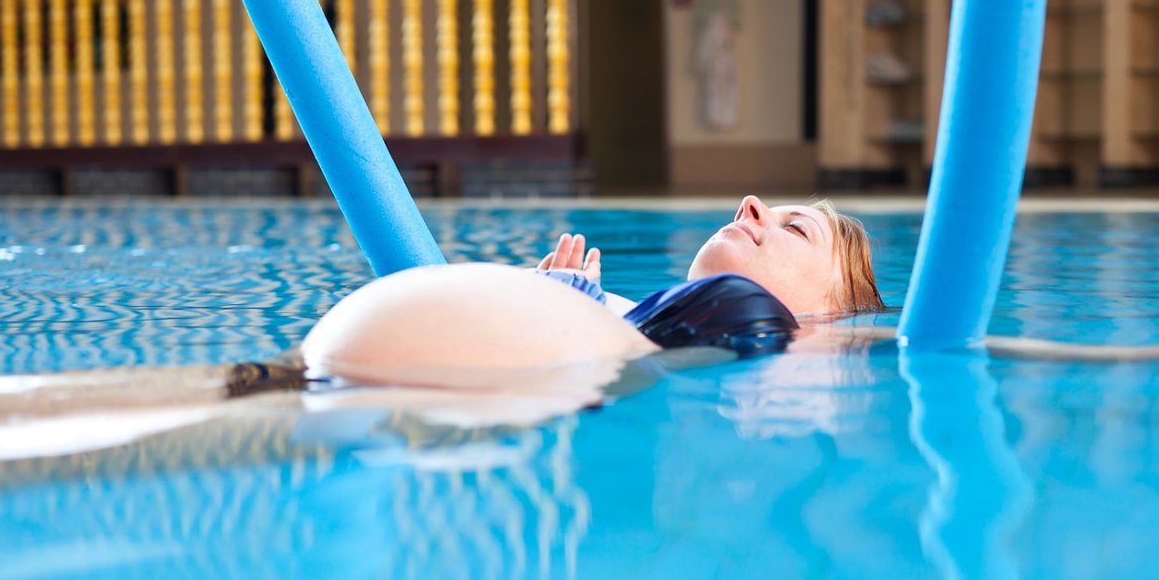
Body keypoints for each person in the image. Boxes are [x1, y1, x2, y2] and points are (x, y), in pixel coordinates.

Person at [303, 196, 884, 386]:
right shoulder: (648, 317)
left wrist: (565, 317)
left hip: (390, 391)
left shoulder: (778, 349)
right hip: (373, 378)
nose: (750, 204)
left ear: (830, 312)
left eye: (794, 228)